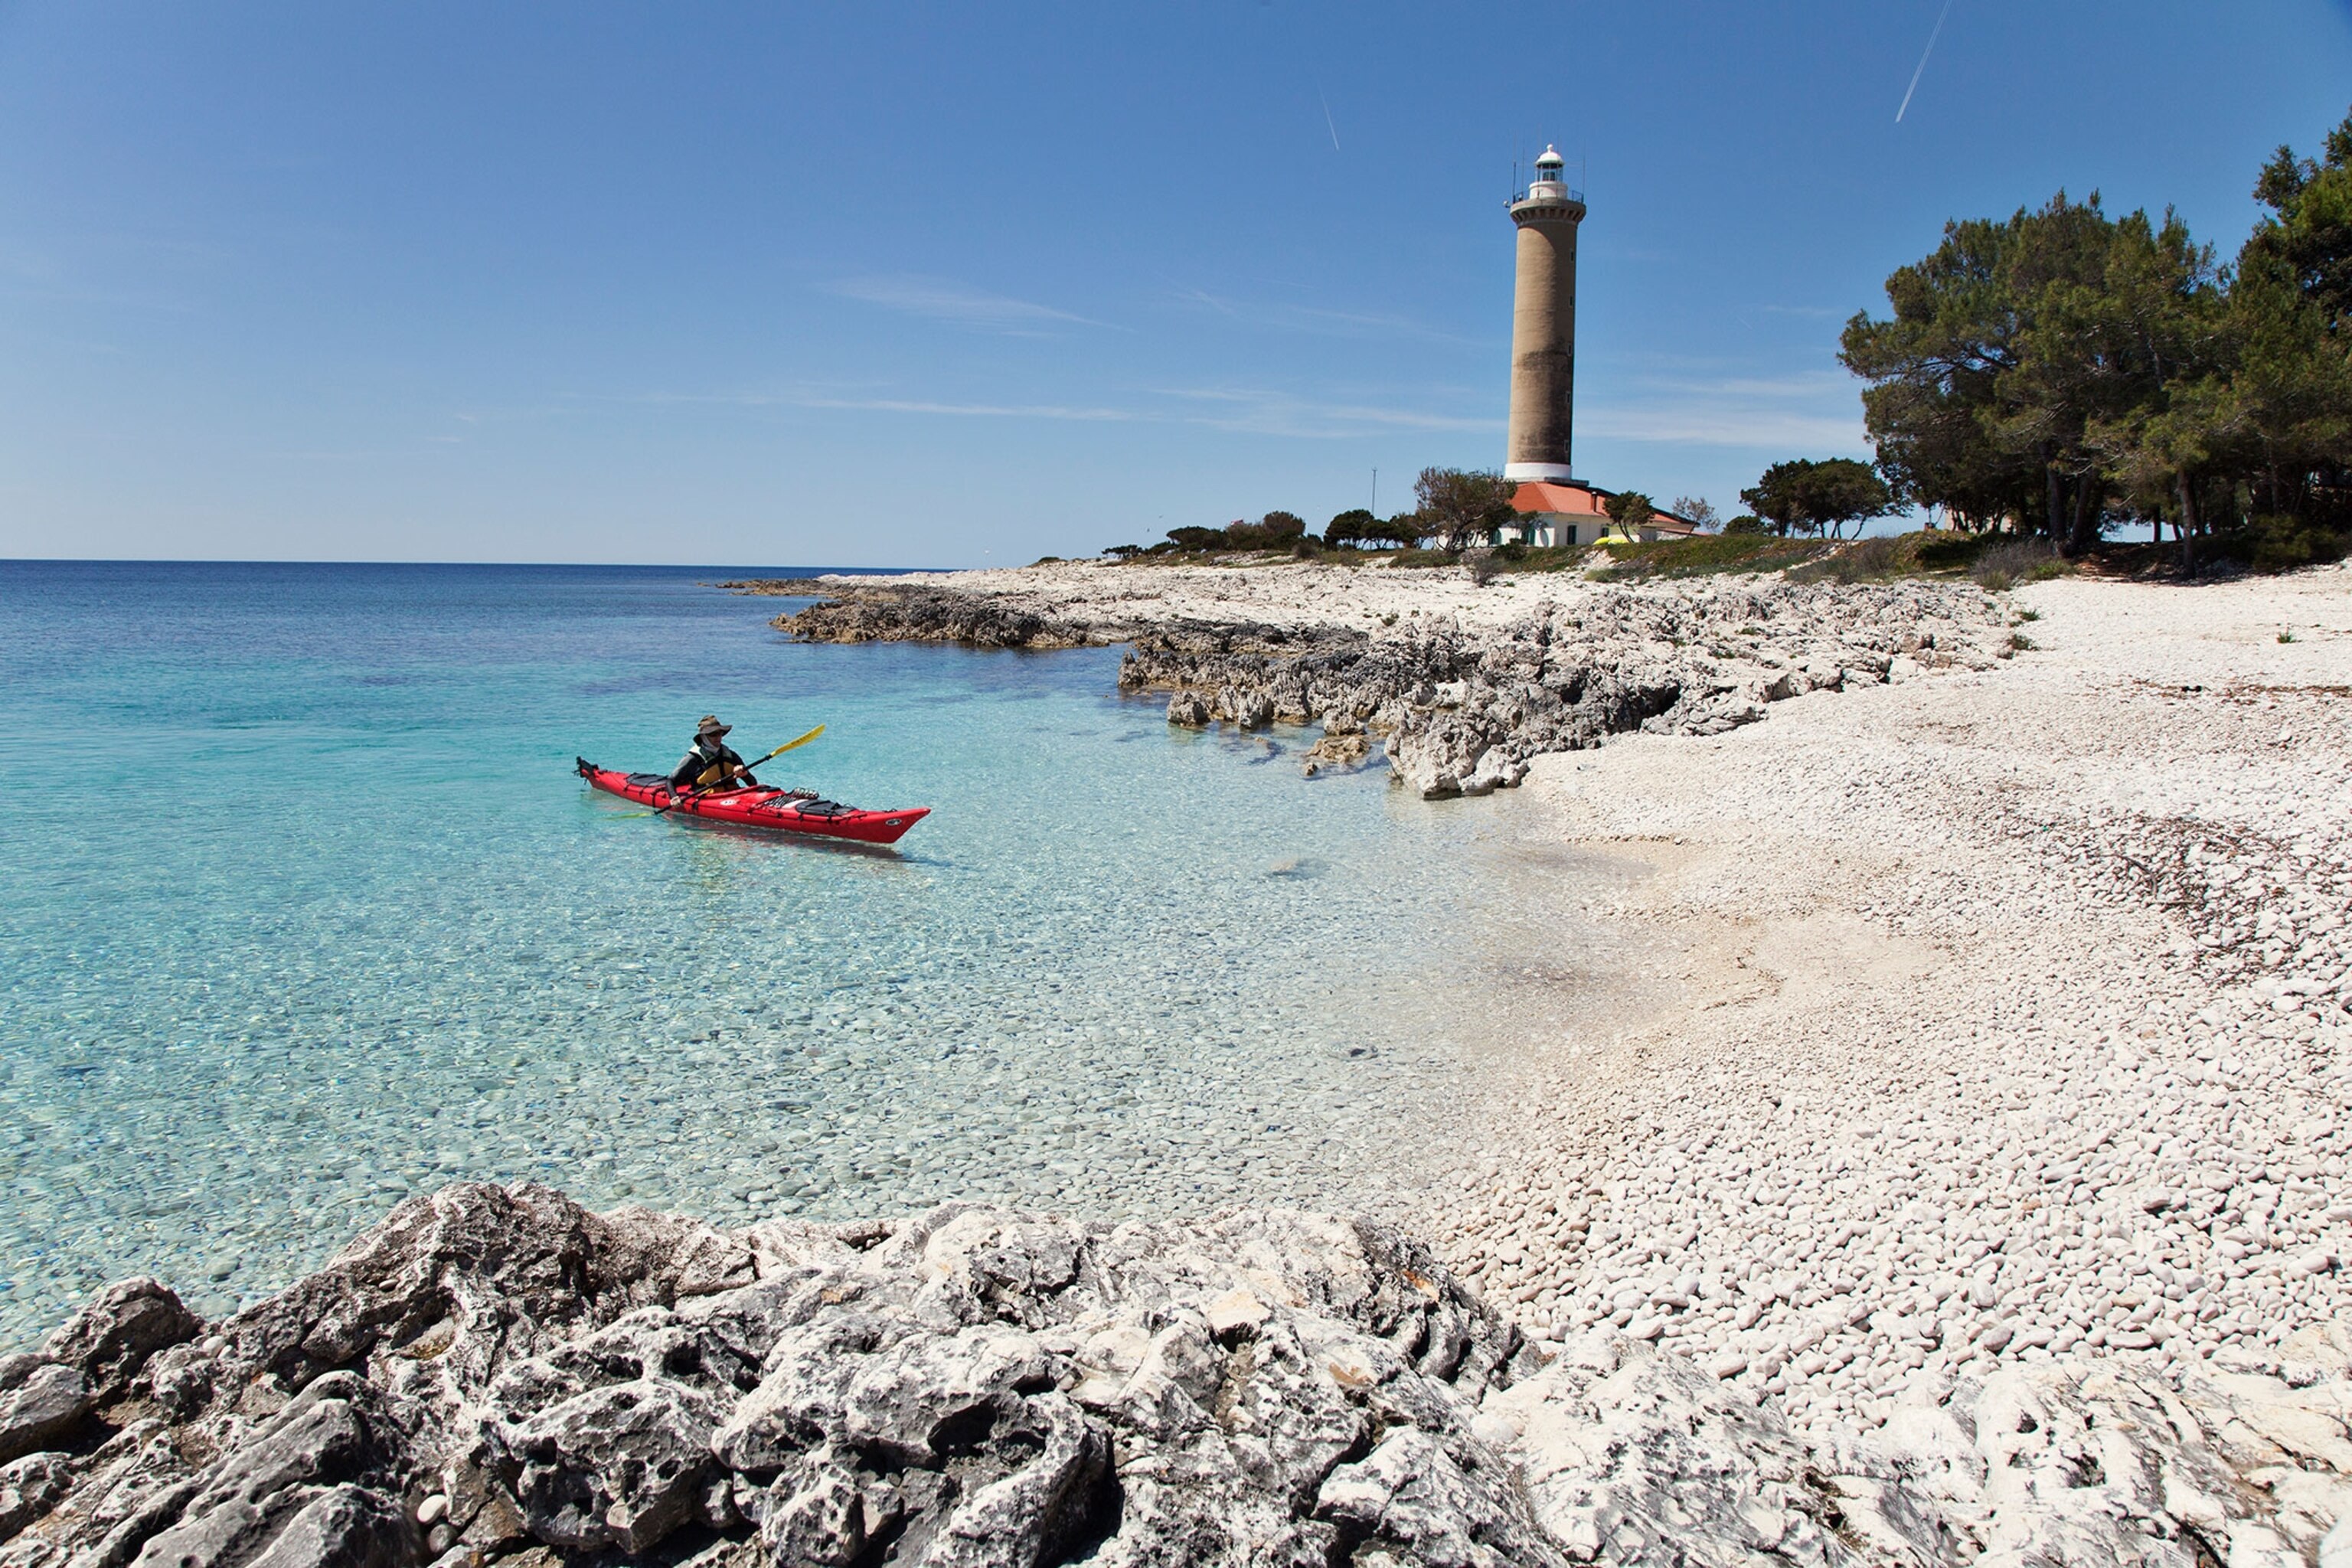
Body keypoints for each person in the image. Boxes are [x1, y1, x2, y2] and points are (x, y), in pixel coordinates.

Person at [671, 714, 759, 794]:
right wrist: (674, 797)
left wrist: (745, 774)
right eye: (713, 734)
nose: (718, 737)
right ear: (703, 737)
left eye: (720, 733)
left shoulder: (731, 755)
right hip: (706, 798)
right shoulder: (693, 758)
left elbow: (753, 784)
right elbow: (670, 781)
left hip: (732, 796)